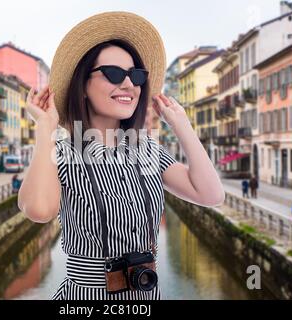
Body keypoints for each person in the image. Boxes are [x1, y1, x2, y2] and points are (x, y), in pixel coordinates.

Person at [18, 11, 225, 301]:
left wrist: (182, 126)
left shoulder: (148, 151)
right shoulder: (63, 154)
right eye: (115, 74)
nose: (129, 85)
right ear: (83, 85)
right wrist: (45, 129)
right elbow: (38, 210)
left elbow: (210, 195)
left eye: (136, 75)